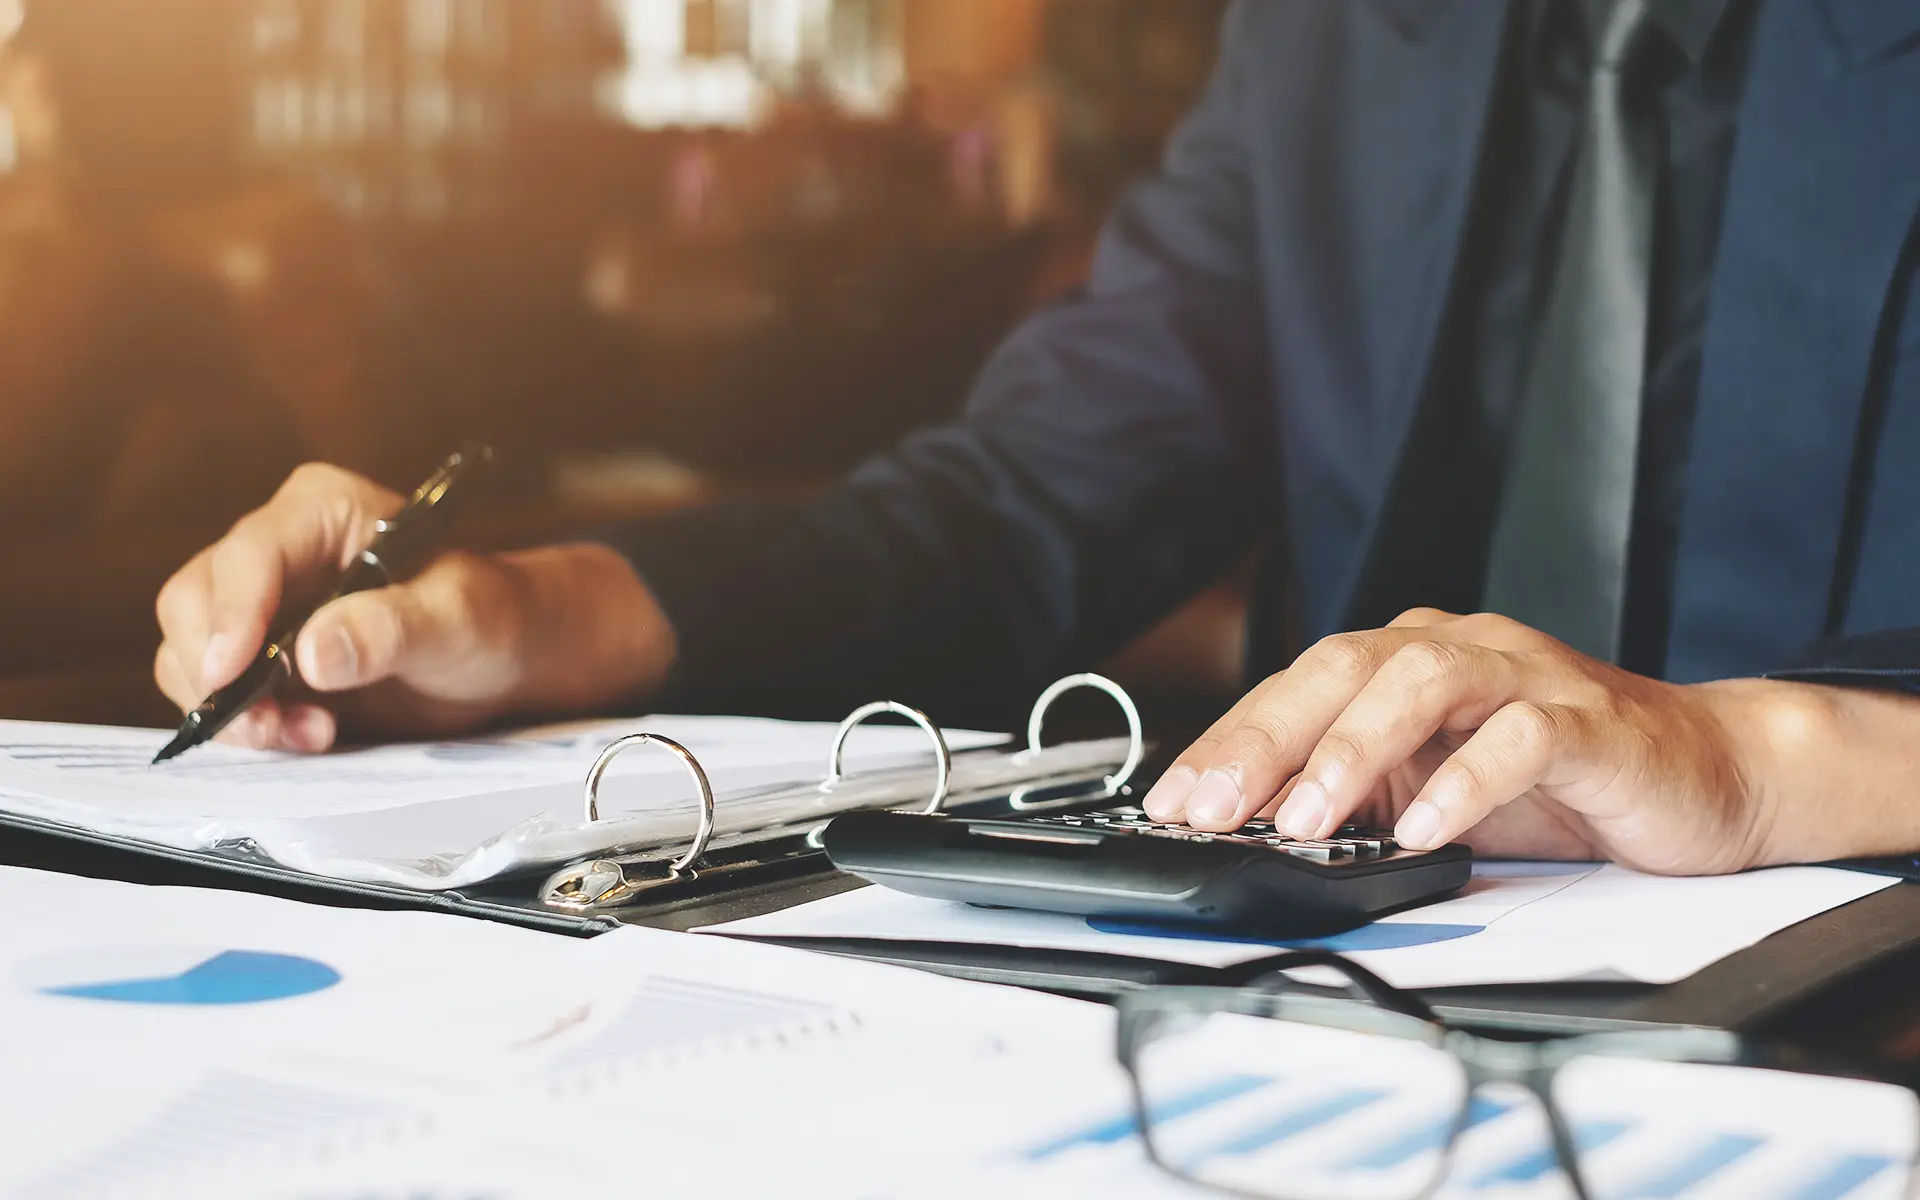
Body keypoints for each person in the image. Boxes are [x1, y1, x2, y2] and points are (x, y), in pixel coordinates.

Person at [155, 0, 1920, 876]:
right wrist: (544, 618)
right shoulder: (1345, 39)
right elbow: (1027, 506)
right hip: (1357, 993)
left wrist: (1762, 767)